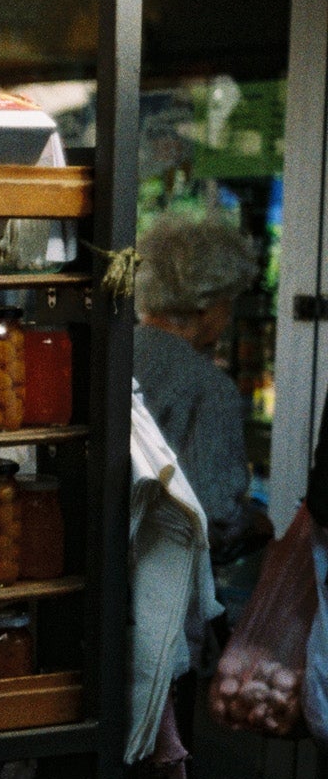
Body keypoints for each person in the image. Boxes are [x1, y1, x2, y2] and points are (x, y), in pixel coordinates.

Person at [133, 214, 271, 560]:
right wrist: (254, 525)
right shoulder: (209, 389)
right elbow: (215, 513)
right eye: (228, 302)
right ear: (206, 304)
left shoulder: (109, 352)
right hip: (162, 580)